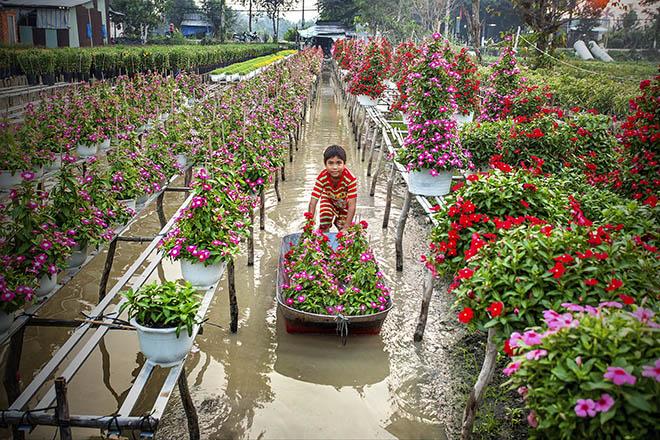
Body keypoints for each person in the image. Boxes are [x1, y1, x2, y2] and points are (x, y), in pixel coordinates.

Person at [308, 145, 357, 232]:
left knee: (342, 226)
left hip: (344, 203)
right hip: (328, 199)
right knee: (325, 219)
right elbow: (313, 202)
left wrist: (346, 227)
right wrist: (309, 224)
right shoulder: (322, 177)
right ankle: (323, 239)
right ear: (325, 164)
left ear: (344, 164)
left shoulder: (350, 179)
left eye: (339, 163)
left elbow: (352, 205)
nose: (335, 167)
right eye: (330, 163)